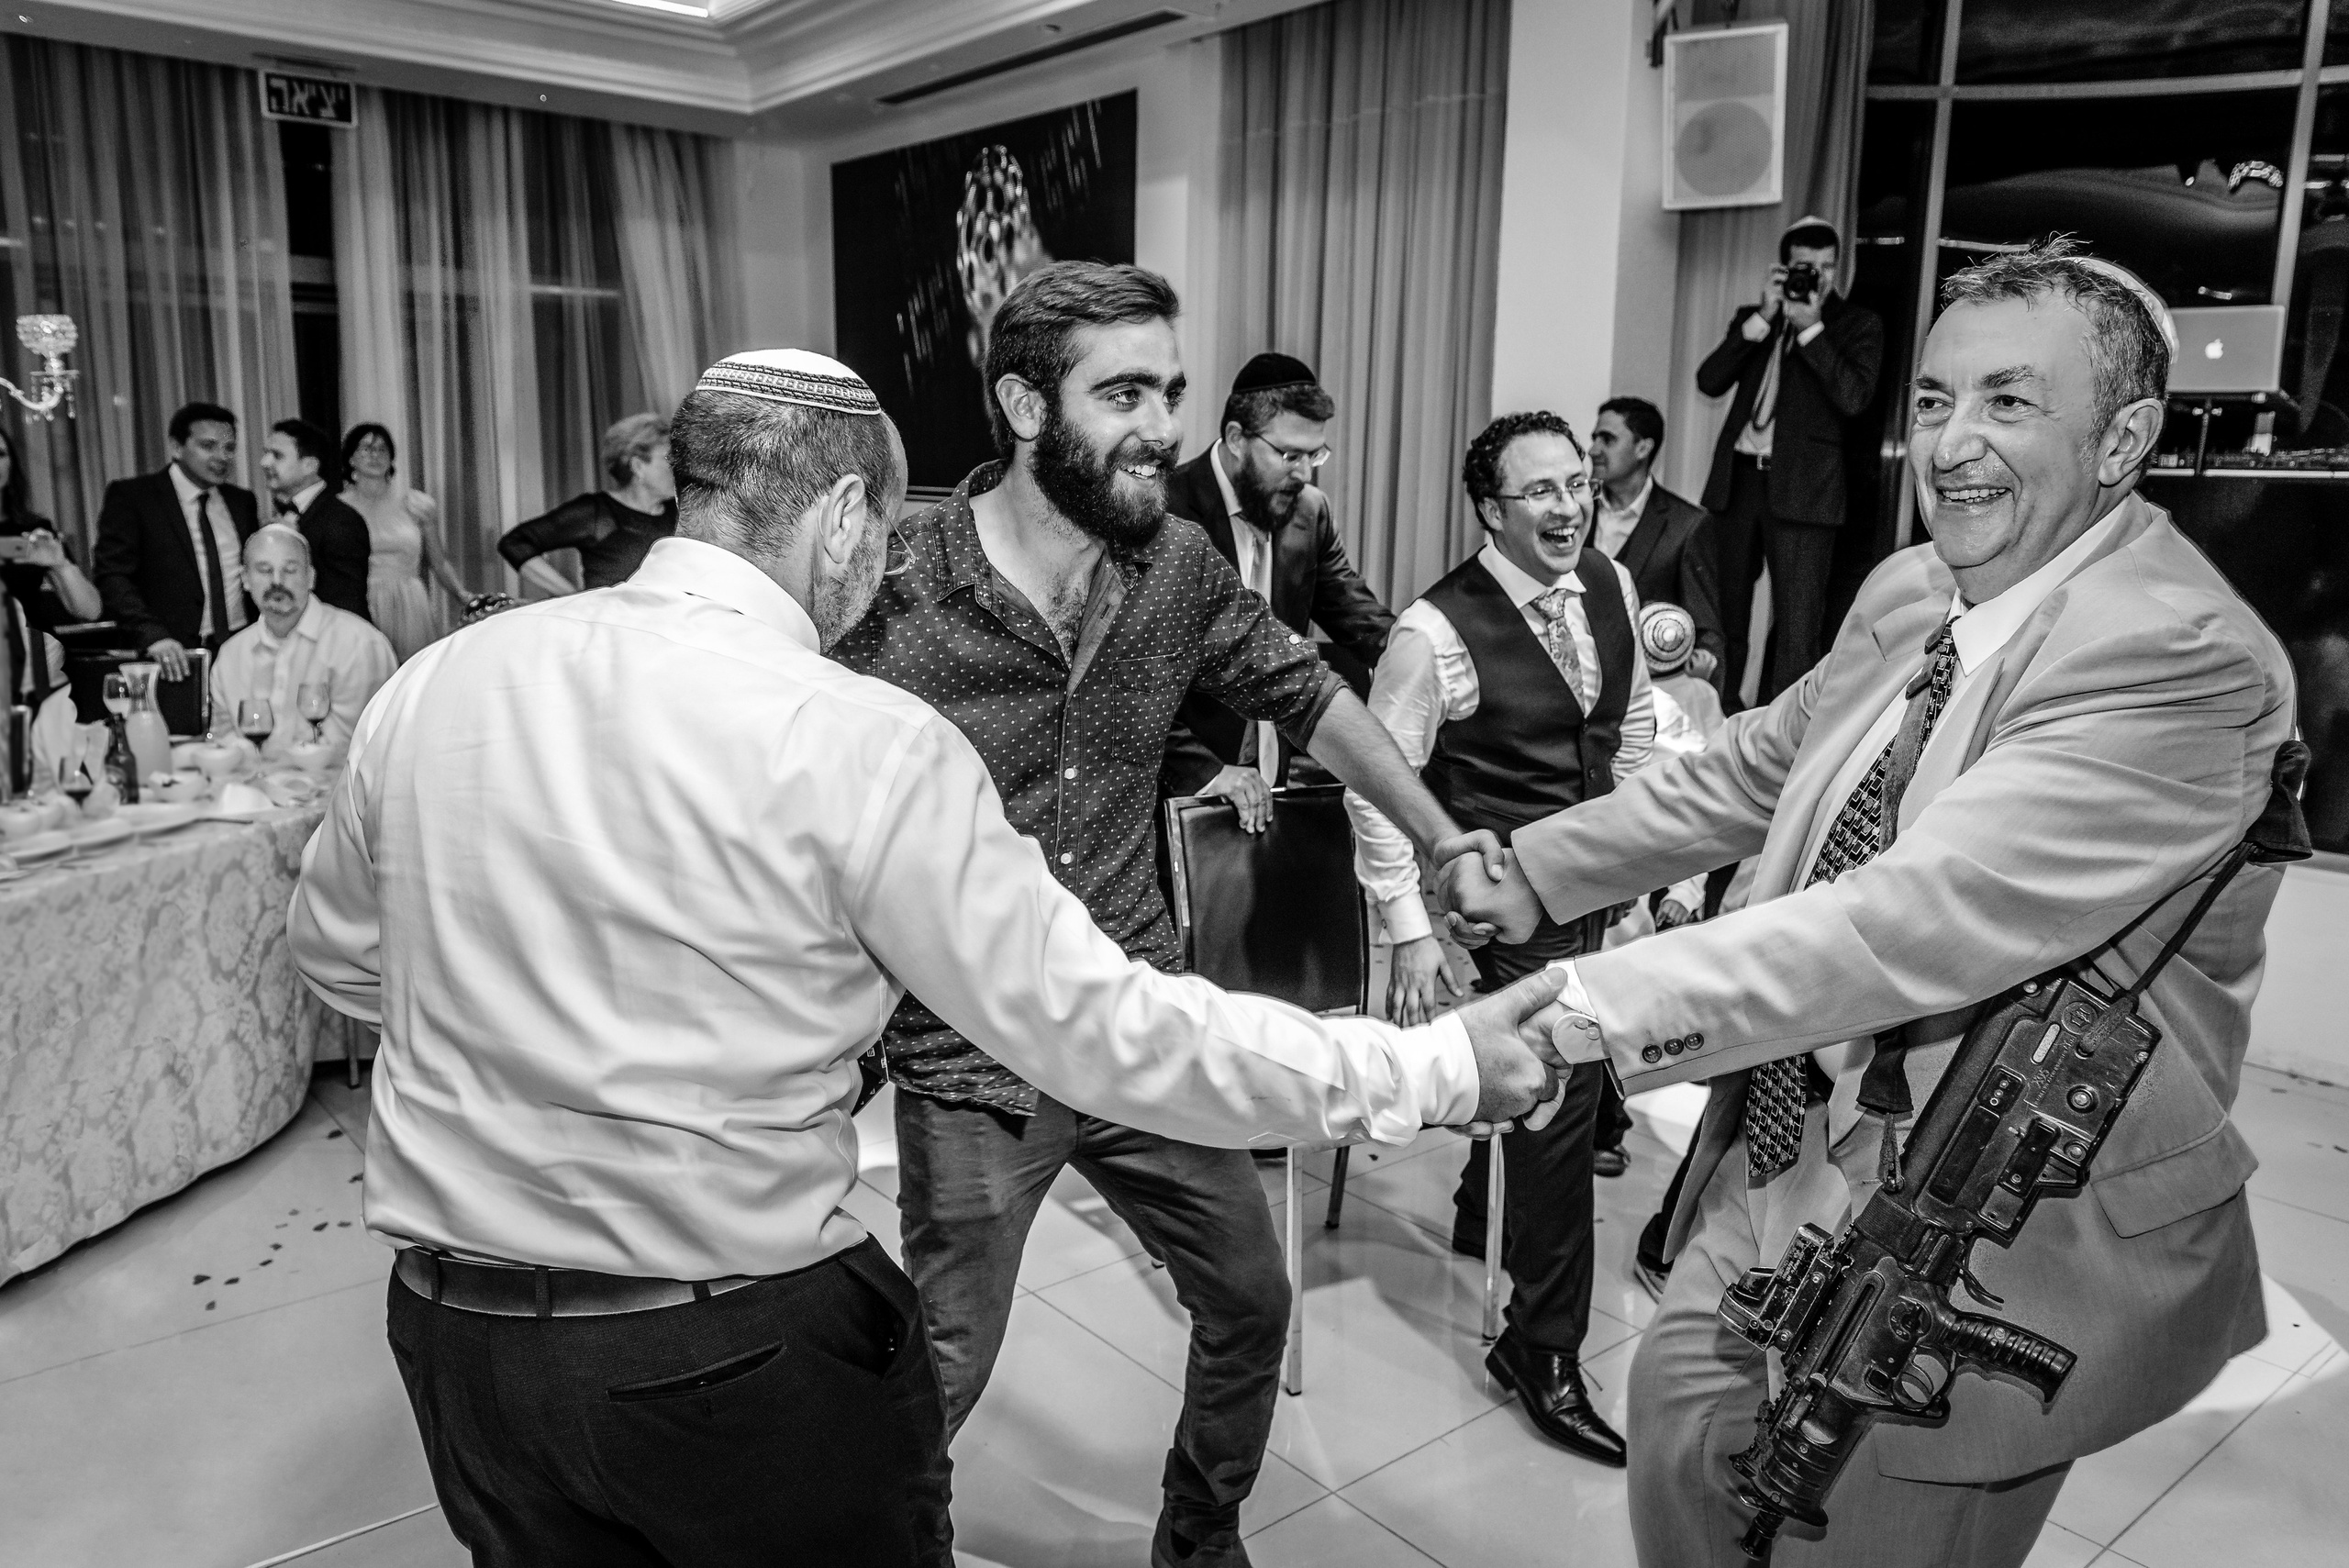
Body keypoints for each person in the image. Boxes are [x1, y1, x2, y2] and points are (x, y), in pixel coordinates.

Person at [286, 347, 1573, 1568]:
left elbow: (341, 956)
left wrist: (531, 1014)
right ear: (845, 514)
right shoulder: (853, 734)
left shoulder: (440, 681)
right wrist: (1436, 1065)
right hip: (720, 1350)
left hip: (461, 1349)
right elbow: (1103, 1029)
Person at [1449, 241, 2299, 1567]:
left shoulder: (2177, 658)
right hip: (1781, 1155)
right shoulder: (1915, 591)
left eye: (2010, 402)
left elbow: (1904, 920)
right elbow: (1755, 766)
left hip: (1981, 1236)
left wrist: (1573, 1011)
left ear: (2126, 437)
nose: (1953, 444)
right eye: (1934, 399)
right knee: (1685, 1440)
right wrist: (1533, 868)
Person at [830, 264, 1508, 1568]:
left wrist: (1438, 835)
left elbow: (1307, 693)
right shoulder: (897, 584)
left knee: (1251, 1300)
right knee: (948, 1365)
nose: (1162, 424)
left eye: (1172, 392)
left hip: (1141, 1022)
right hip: (972, 1055)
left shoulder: (1174, 566)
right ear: (1027, 406)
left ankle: (1198, 1540)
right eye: (1124, 391)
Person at [1346, 409, 1659, 1470]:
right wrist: (1409, 934)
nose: (1570, 505)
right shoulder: (1433, 631)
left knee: (1580, 1101)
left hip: (1598, 898)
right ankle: (1541, 1348)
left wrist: (1644, 868)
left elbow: (1637, 728)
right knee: (1564, 1128)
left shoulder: (1612, 587)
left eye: (1578, 481)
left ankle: (1485, 1211)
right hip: (1500, 920)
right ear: (1490, 508)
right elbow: (1378, 789)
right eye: (1541, 491)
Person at [1159, 352, 1395, 822]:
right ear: (1235, 439)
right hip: (1181, 789)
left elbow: (1360, 618)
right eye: (1289, 455)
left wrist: (1433, 654)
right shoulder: (1166, 510)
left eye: (1315, 455)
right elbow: (1129, 674)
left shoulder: (1309, 511)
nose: (1305, 473)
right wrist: (1204, 773)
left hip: (1272, 776)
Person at [1698, 217, 1883, 705]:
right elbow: (1710, 380)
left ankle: (1776, 744)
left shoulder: (1857, 324)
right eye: (1806, 266)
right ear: (1785, 267)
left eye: (1826, 266)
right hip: (1737, 484)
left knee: (1798, 629)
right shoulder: (1755, 319)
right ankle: (1719, 725)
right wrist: (1763, 317)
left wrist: (1811, 332)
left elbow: (1854, 397)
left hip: (1806, 492)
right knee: (1725, 616)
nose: (1817, 277)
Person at [92, 400, 262, 682]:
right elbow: (113, 576)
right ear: (176, 447)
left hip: (240, 648)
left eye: (229, 448)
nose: (222, 456)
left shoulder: (241, 502)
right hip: (170, 653)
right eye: (208, 446)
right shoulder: (134, 497)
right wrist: (152, 636)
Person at [209, 524, 395, 759]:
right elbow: (223, 743)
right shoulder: (231, 655)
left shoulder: (359, 643)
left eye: (290, 570)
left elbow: (363, 746)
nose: (277, 581)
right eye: (264, 570)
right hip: (254, 789)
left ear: (311, 577)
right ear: (245, 580)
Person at [1588, 396, 1722, 690]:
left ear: (1643, 448)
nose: (1593, 450)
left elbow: (1706, 631)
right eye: (1594, 438)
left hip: (1647, 694)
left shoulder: (1687, 525)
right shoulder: (1575, 511)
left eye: (1607, 439)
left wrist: (1700, 685)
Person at [496, 412, 676, 595]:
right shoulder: (597, 513)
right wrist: (574, 597)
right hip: (610, 623)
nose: (679, 468)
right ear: (638, 466)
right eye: (670, 460)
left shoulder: (682, 512)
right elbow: (515, 543)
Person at [342, 424, 469, 662]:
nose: (375, 455)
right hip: (361, 602)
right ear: (351, 458)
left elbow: (439, 562)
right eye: (367, 448)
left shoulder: (415, 504)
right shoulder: (338, 509)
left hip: (410, 604)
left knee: (411, 676)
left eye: (382, 449)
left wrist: (462, 595)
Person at [261, 417, 373, 625]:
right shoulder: (279, 514)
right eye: (265, 453)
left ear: (310, 465)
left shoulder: (342, 520)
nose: (264, 463)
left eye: (277, 456)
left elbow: (346, 604)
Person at [0, 424, 103, 636]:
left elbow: (91, 612)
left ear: (11, 464)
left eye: (0, 454)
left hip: (31, 654)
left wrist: (61, 565)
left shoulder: (31, 529)